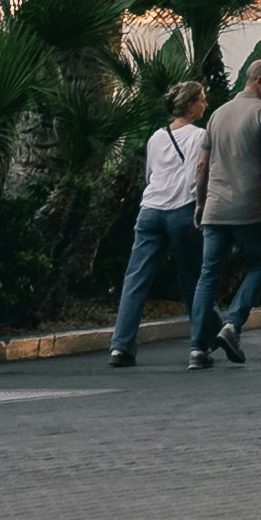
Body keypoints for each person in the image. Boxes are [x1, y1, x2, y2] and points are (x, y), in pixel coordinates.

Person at [190, 55, 261, 366]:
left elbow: (202, 165)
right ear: (258, 80)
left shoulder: (217, 115)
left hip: (215, 209)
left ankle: (197, 348)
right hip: (248, 208)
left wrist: (200, 201)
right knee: (260, 264)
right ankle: (233, 325)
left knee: (207, 276)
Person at [107, 80, 208, 365]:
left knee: (135, 279)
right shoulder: (199, 136)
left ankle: (121, 346)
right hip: (181, 210)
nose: (205, 104)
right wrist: (200, 206)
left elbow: (150, 174)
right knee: (194, 280)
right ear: (190, 105)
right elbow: (196, 174)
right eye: (202, 99)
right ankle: (203, 340)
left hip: (150, 211)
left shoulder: (156, 137)